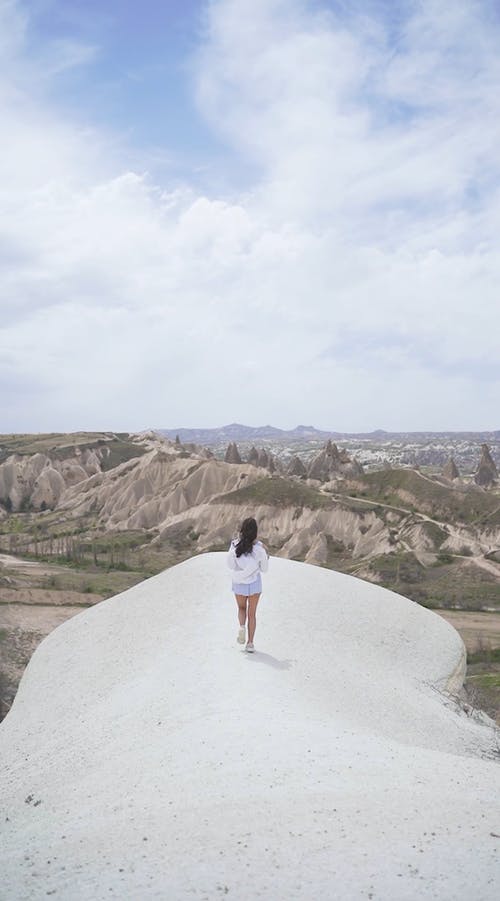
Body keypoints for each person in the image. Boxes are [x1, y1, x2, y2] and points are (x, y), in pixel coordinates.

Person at [227, 517, 268, 653]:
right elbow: (264, 569)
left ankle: (241, 626)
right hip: (254, 584)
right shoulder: (260, 548)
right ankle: (250, 643)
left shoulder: (234, 545)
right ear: (255, 532)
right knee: (252, 613)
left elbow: (230, 565)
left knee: (241, 608)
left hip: (239, 583)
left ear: (242, 530)